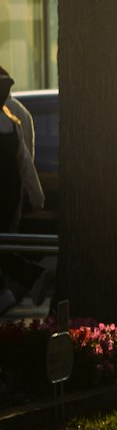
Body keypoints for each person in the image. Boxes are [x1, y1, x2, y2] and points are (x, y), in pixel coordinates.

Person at [0, 66, 44, 316]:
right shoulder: (14, 123)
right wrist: (35, 196)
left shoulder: (14, 120)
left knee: (3, 247)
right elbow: (27, 163)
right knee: (4, 244)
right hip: (12, 198)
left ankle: (30, 277)